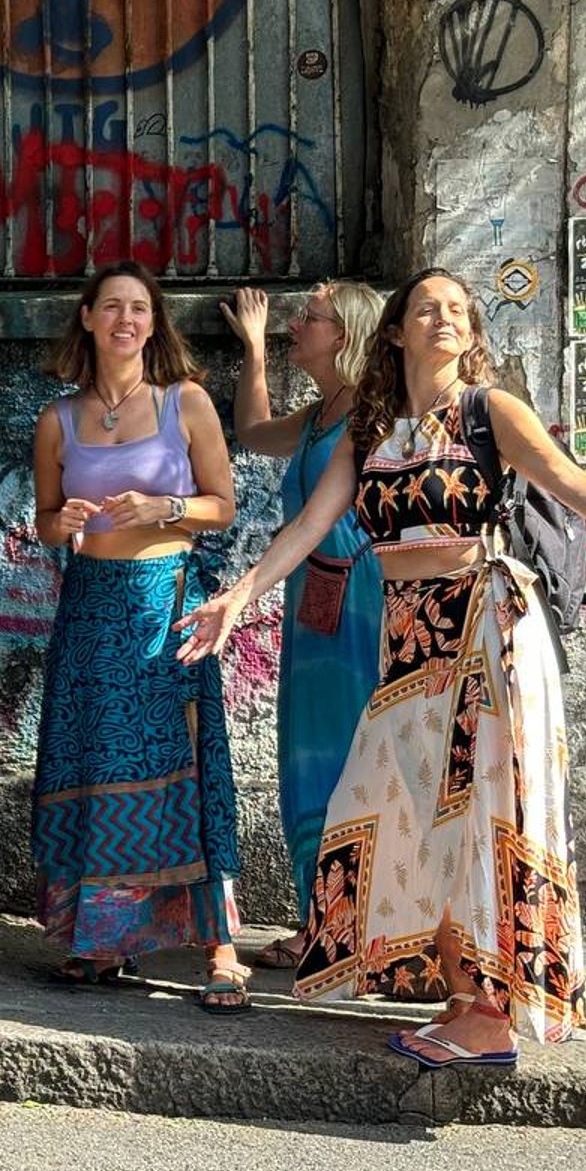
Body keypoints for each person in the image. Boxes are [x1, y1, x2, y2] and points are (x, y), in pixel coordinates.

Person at [179, 268, 586, 1064]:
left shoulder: (490, 413)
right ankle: (460, 999)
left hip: (487, 632)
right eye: (428, 307)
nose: (444, 318)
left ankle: (487, 1015)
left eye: (458, 309)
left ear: (473, 333)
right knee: (407, 812)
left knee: (483, 814)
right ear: (394, 332)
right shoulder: (371, 429)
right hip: (409, 646)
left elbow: (574, 482)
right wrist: (240, 597)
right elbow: (312, 526)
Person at [30, 264, 247, 1012]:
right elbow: (45, 518)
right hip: (90, 607)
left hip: (165, 602)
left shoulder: (184, 401)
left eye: (140, 308)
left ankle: (220, 946)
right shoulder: (56, 419)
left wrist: (164, 506)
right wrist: (59, 524)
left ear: (154, 324)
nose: (126, 318)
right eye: (112, 306)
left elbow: (222, 505)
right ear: (86, 317)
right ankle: (103, 941)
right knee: (96, 766)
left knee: (186, 764)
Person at [221, 282, 385, 971]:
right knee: (311, 759)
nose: (296, 324)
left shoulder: (372, 415)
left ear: (343, 334)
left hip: (358, 608)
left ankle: (352, 929)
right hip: (313, 605)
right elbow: (253, 431)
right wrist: (254, 349)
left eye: (308, 319)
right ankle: (324, 921)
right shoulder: (322, 414)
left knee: (355, 760)